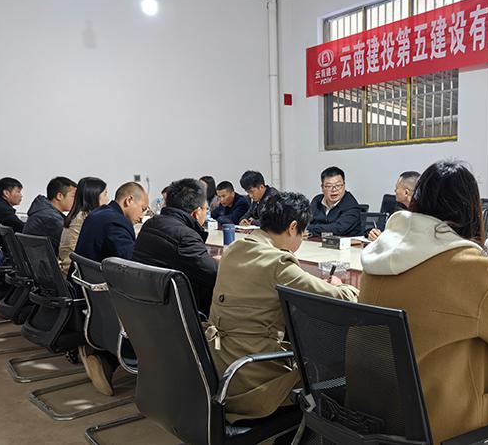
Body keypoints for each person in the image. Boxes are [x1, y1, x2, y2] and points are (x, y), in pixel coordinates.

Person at [359, 160, 488, 443]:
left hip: (376, 420)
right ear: (470, 209)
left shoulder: (377, 255)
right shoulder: (467, 265)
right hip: (444, 429)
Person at [205, 192, 358, 422]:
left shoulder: (234, 249)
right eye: (302, 233)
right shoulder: (277, 262)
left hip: (221, 369)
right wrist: (343, 286)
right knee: (333, 368)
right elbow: (340, 298)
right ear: (292, 227)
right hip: (254, 380)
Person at [73, 182, 149, 397]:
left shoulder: (99, 214)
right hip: (102, 294)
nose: (142, 216)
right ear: (129, 200)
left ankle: (102, 357)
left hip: (88, 291)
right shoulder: (116, 222)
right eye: (143, 209)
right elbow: (131, 265)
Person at [133, 178, 218, 316]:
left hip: (144, 305)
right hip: (174, 313)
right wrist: (221, 262)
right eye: (206, 209)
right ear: (197, 212)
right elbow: (214, 274)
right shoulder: (185, 236)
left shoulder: (150, 224)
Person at [58, 177, 108, 276]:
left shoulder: (76, 216)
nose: (108, 199)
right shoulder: (87, 218)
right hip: (77, 274)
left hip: (68, 271)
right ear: (94, 195)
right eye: (105, 194)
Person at [23, 177, 77, 254]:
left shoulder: (44, 212)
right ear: (59, 196)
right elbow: (69, 245)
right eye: (73, 196)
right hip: (44, 260)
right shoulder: (51, 219)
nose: (76, 200)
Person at [307, 166, 362, 237]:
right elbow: (304, 221)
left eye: (338, 185)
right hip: (316, 241)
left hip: (345, 242)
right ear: (322, 188)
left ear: (344, 185)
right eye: (329, 186)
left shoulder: (351, 205)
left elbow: (337, 229)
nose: (334, 189)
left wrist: (309, 228)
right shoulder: (317, 200)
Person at [366, 170, 420, 241]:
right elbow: (382, 229)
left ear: (406, 193)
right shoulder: (397, 207)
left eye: (397, 188)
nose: (395, 191)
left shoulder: (422, 214)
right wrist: (371, 233)